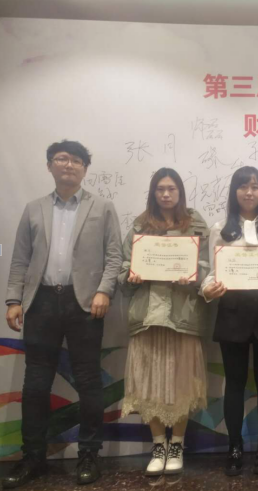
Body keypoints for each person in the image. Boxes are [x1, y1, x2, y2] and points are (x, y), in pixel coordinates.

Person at [3, 140, 122, 487]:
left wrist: (104, 290)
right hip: (40, 302)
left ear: (85, 169)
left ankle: (89, 455)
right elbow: (20, 259)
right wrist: (13, 299)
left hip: (85, 303)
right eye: (61, 159)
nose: (69, 165)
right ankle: (33, 457)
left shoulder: (102, 207)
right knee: (36, 384)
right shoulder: (34, 209)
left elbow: (114, 255)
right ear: (50, 166)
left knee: (88, 381)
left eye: (76, 161)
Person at [201, 166, 258, 476]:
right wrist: (208, 290)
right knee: (234, 383)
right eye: (243, 186)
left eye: (255, 186)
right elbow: (212, 273)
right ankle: (235, 446)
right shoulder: (220, 229)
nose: (249, 192)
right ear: (234, 191)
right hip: (233, 313)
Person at [118, 168, 210, 476]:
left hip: (182, 315)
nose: (166, 194)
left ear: (180, 192)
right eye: (160, 189)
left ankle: (177, 445)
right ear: (153, 193)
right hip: (147, 316)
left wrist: (192, 275)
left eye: (171, 188)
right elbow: (123, 269)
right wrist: (131, 276)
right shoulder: (140, 225)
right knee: (149, 383)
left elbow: (208, 269)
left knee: (182, 383)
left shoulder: (195, 223)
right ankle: (158, 445)